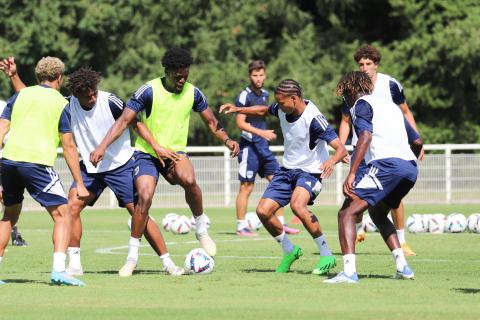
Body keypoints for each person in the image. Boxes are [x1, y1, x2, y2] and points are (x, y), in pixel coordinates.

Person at [0, 61, 185, 276]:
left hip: (120, 165)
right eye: (88, 96)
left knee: (139, 212)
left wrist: (156, 146)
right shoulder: (67, 104)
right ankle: (75, 264)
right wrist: (14, 76)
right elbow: (35, 98)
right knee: (71, 207)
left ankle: (167, 262)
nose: (93, 98)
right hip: (90, 168)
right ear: (76, 95)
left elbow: (135, 123)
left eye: (94, 93)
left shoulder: (111, 101)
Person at [90, 48, 240, 273]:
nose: (182, 80)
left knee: (189, 180)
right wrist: (102, 146)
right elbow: (124, 121)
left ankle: (200, 228)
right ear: (167, 71)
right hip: (146, 154)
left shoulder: (193, 93)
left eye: (185, 75)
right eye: (177, 76)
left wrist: (227, 140)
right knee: (145, 197)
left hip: (175, 153)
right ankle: (132, 257)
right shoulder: (148, 91)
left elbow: (211, 122)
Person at [220, 79, 347, 274]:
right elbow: (264, 110)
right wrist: (238, 109)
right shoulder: (282, 108)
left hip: (310, 172)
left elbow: (340, 148)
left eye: (281, 102)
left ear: (294, 99)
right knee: (263, 211)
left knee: (298, 205)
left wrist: (331, 161)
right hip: (287, 171)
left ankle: (326, 255)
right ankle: (290, 250)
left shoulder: (314, 118)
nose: (278, 106)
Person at [325, 71, 422, 284]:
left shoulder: (360, 105)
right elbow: (417, 142)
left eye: (344, 95)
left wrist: (352, 174)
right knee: (378, 215)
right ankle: (403, 267)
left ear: (351, 90)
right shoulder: (392, 108)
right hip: (410, 169)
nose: (345, 100)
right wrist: (407, 164)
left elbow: (365, 137)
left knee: (346, 214)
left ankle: (349, 273)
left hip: (387, 166)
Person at [0, 56, 89, 286]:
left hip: (9, 162)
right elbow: (69, 145)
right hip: (36, 164)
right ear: (59, 77)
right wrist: (79, 183)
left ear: (38, 76)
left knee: (9, 215)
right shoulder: (60, 103)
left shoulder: (21, 95)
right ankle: (59, 270)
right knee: (63, 214)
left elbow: (1, 128)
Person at [338, 44, 421, 256]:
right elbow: (345, 121)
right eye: (361, 64)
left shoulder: (389, 85)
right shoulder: (352, 90)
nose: (364, 67)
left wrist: (412, 143)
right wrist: (341, 147)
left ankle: (400, 242)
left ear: (376, 64)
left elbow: (405, 112)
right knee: (358, 198)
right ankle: (357, 233)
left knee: (357, 205)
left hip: (384, 152)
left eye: (368, 63)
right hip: (363, 151)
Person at [232, 60, 299, 236]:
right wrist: (261, 133)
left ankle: (281, 224)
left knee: (280, 182)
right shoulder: (244, 96)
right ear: (249, 76)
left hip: (263, 148)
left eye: (261, 75)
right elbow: (240, 123)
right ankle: (241, 226)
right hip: (249, 148)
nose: (258, 78)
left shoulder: (266, 94)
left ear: (265, 75)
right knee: (246, 187)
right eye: (255, 75)